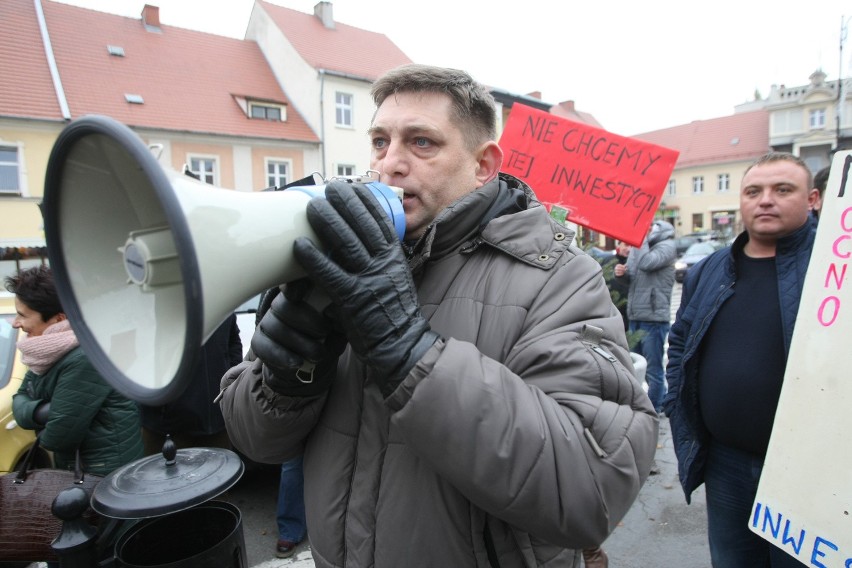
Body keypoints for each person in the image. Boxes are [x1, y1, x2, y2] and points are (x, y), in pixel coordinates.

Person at [219, 63, 657, 567]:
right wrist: (289, 377)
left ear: (483, 165)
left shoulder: (557, 276)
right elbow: (256, 441)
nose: (390, 164)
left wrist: (411, 352)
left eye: (422, 142)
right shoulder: (339, 264)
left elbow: (593, 488)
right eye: (380, 142)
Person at [663, 152, 819, 567]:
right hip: (726, 463)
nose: (765, 200)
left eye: (782, 190)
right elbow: (680, 342)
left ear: (813, 199)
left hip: (807, 471)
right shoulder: (710, 269)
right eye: (754, 191)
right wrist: (676, 399)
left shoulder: (833, 270)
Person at [9, 265, 143, 476]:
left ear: (59, 319)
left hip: (104, 474)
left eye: (23, 315)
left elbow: (59, 437)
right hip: (80, 470)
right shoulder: (43, 350)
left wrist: (36, 414)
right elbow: (19, 398)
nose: (15, 323)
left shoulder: (86, 355)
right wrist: (43, 411)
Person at [139, 314, 242, 455]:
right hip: (170, 427)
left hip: (218, 422)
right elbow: (140, 353)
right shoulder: (157, 301)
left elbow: (233, 341)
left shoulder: (220, 299)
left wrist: (229, 385)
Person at [613, 220, 676, 413]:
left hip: (653, 318)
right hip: (635, 315)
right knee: (636, 367)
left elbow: (647, 263)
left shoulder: (667, 246)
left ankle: (654, 411)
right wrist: (621, 273)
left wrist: (639, 240)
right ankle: (661, 400)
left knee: (653, 371)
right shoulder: (641, 246)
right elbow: (632, 274)